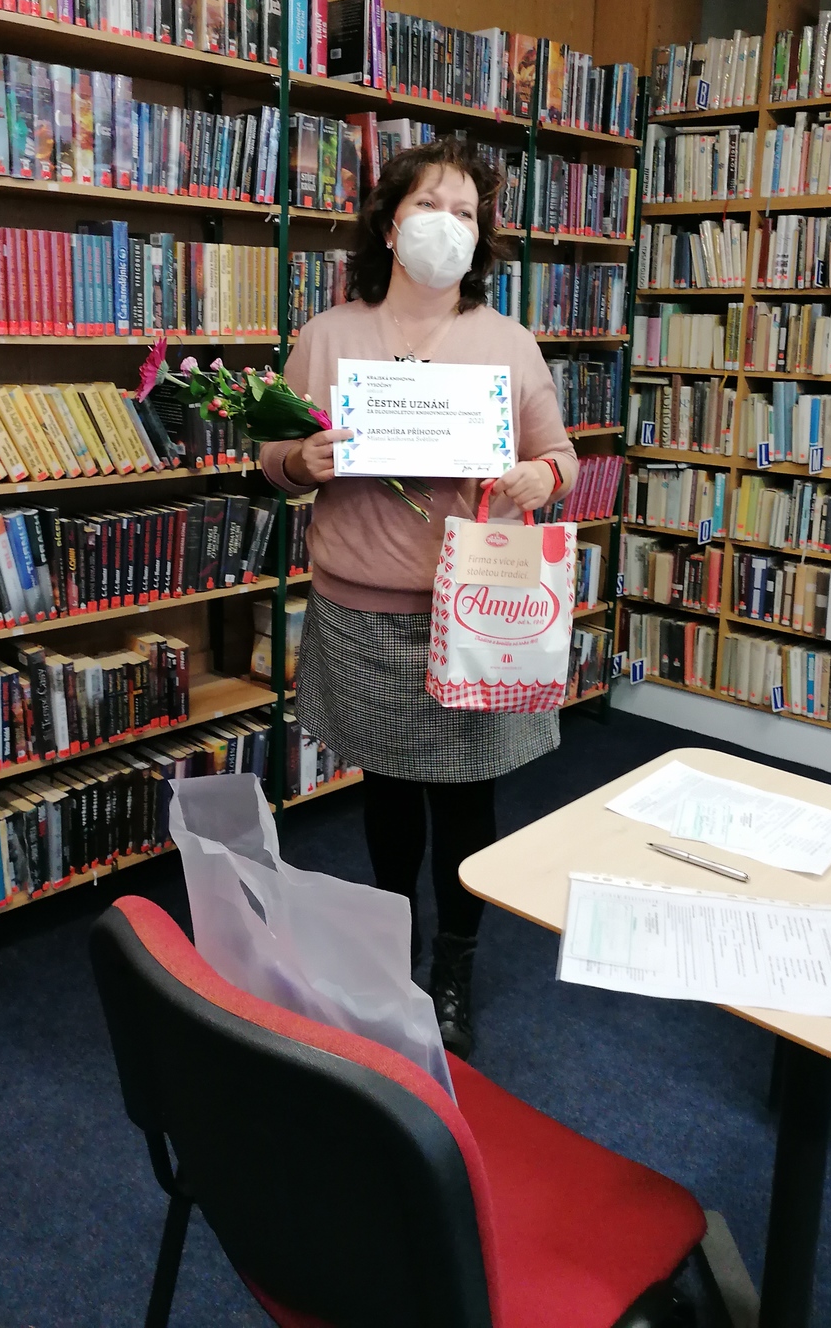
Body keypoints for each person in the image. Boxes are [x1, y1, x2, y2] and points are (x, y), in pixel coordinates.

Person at [259, 138, 576, 1058]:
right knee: (389, 792)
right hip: (363, 611)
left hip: (473, 611)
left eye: (466, 213)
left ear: (482, 237)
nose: (448, 225)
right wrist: (300, 460)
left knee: (467, 798)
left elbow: (559, 456)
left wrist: (540, 478)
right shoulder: (327, 336)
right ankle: (394, 947)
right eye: (430, 206)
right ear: (390, 224)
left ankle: (455, 966)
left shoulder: (508, 342)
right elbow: (272, 458)